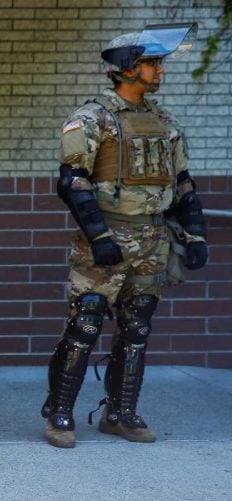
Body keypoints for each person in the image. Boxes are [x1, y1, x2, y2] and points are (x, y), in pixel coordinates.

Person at [42, 23, 205, 448]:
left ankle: (121, 412)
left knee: (137, 329)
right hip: (106, 238)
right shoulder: (92, 119)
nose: (159, 70)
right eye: (152, 63)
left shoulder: (164, 122)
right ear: (127, 68)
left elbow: (182, 182)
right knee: (86, 322)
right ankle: (59, 412)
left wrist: (196, 234)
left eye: (158, 63)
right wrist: (98, 237)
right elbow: (72, 182)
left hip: (152, 239)